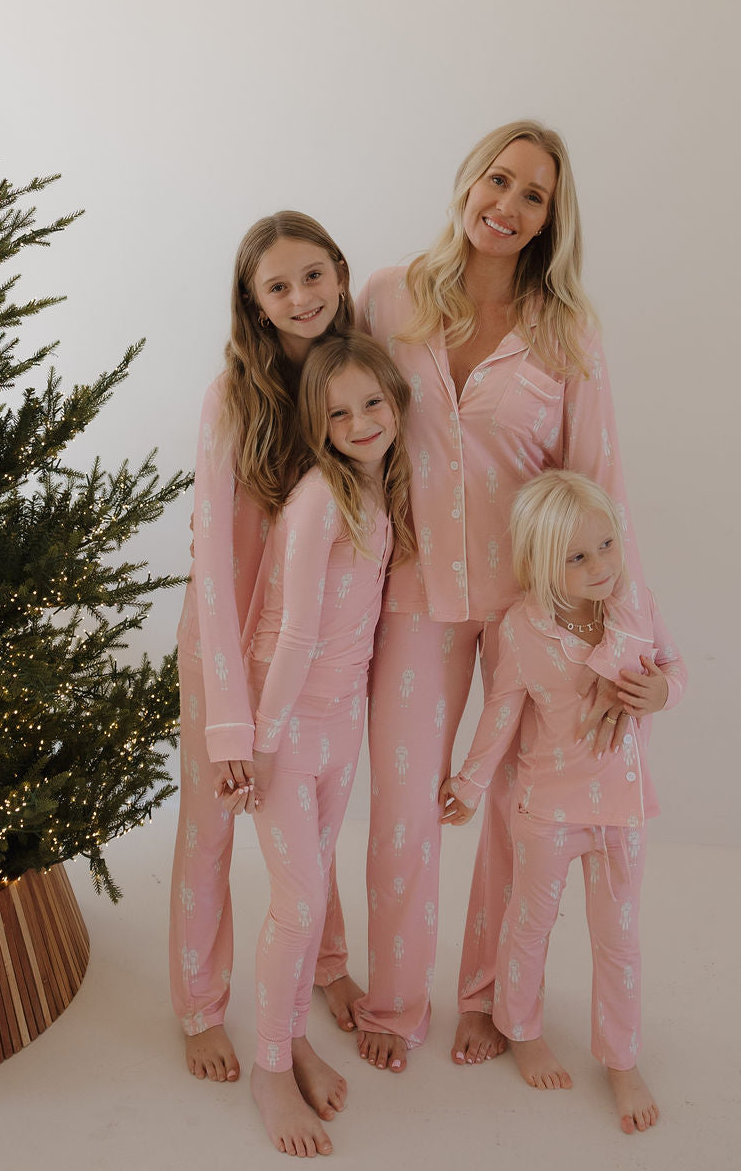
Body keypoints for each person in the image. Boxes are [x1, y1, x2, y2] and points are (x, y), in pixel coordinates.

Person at [343, 120, 643, 1073]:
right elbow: (335, 425)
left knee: (519, 815)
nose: (508, 205)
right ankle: (395, 1002)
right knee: (405, 808)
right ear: (469, 180)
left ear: (551, 218)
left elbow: (601, 488)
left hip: (535, 615)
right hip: (413, 595)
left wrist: (627, 644)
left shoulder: (568, 331)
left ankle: (487, 999)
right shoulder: (387, 298)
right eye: (499, 180)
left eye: (533, 195)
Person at [440, 470, 685, 1134]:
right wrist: (468, 784)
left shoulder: (635, 606)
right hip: (548, 811)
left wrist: (663, 691)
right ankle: (520, 1029)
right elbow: (500, 712)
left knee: (619, 940)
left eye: (606, 545)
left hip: (622, 812)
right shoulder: (524, 630)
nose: (600, 565)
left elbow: (675, 668)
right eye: (577, 557)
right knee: (529, 924)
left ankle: (622, 1059)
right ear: (542, 563)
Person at [170, 211, 354, 1085]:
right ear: (254, 302)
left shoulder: (354, 381)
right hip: (223, 650)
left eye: (313, 275)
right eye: (278, 285)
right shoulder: (231, 397)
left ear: (340, 273)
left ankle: (325, 965)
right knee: (209, 830)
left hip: (311, 660)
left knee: (311, 826)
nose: (301, 296)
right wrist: (229, 716)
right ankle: (199, 1006)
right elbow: (212, 561)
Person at [249, 333, 415, 1155]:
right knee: (299, 902)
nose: (360, 423)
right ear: (316, 425)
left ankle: (295, 1039)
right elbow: (296, 635)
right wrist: (262, 741)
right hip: (286, 725)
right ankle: (269, 1068)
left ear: (397, 402)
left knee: (314, 885)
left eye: (372, 403)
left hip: (340, 721)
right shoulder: (321, 499)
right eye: (338, 413)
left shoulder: (377, 493)